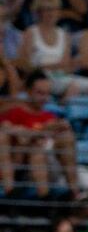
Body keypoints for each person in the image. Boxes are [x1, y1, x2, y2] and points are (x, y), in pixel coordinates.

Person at [0, 71, 82, 200]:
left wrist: (53, 130)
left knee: (66, 137)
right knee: (35, 147)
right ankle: (36, 196)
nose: (44, 98)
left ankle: (75, 193)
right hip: (22, 166)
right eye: (39, 93)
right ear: (28, 91)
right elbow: (13, 134)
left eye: (47, 94)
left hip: (50, 165)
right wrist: (42, 131)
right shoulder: (14, 112)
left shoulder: (50, 117)